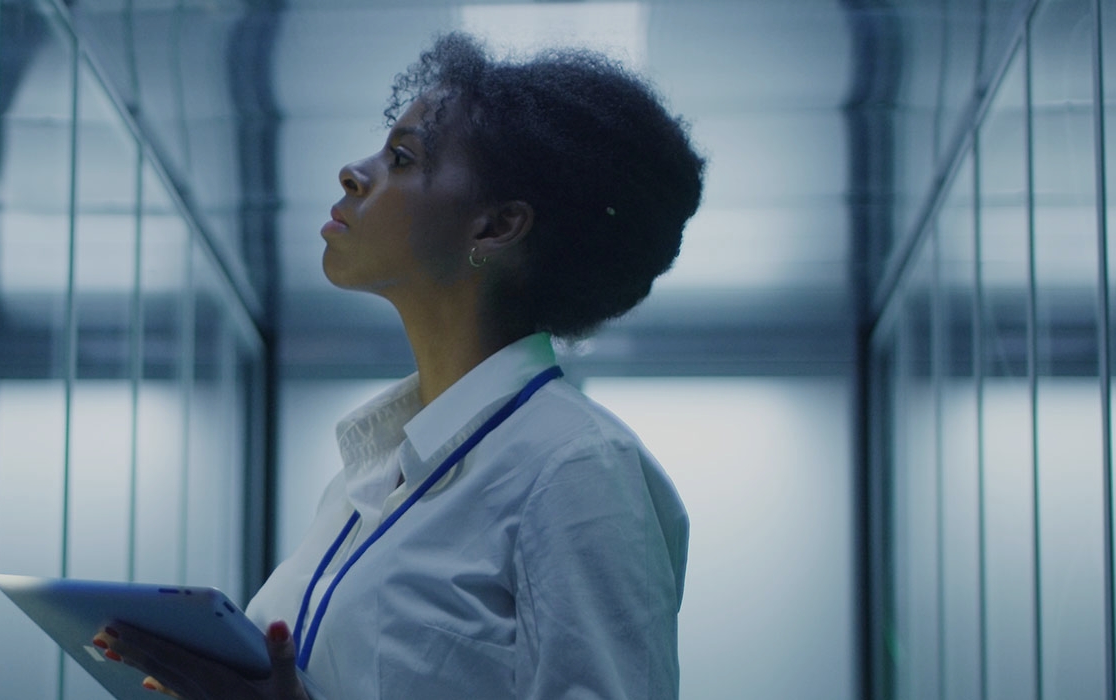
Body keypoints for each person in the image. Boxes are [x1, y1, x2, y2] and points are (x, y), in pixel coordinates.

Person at [94, 31, 704, 699]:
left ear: (496, 227)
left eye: (404, 158)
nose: (354, 173)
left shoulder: (578, 467)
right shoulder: (367, 478)